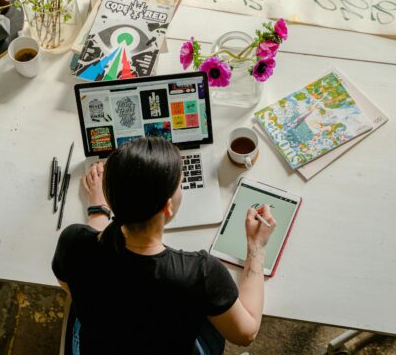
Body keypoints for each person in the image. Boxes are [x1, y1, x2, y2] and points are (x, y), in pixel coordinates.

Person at [52, 137, 276, 355]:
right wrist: (256, 246)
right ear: (167, 208)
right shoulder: (200, 273)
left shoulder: (73, 242)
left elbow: (70, 284)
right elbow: (245, 334)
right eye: (180, 184)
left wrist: (97, 208)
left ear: (111, 200)